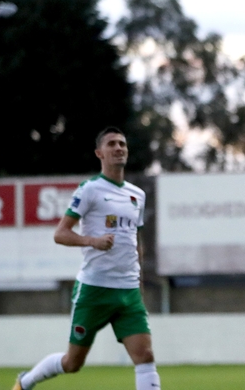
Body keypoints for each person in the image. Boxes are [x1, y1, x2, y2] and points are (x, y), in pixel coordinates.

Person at [12, 127, 161, 390]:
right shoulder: (90, 189)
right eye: (112, 144)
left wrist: (138, 284)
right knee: (73, 363)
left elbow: (135, 242)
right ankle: (26, 382)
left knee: (145, 356)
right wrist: (92, 241)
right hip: (94, 290)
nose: (119, 148)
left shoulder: (137, 194)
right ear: (99, 153)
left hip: (127, 292)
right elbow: (61, 234)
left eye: (122, 144)